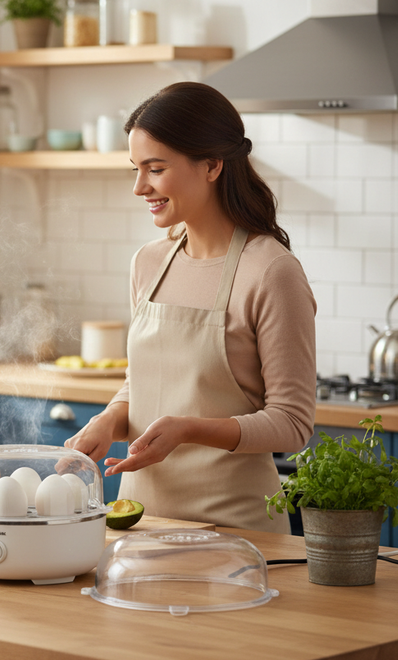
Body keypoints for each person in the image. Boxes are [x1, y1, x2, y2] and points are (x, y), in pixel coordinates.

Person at [65, 82, 316, 533]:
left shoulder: (271, 271)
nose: (140, 186)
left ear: (212, 165)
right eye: (136, 168)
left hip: (239, 530)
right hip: (141, 522)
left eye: (155, 169)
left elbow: (292, 423)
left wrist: (190, 430)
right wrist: (107, 420)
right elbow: (141, 384)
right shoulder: (149, 262)